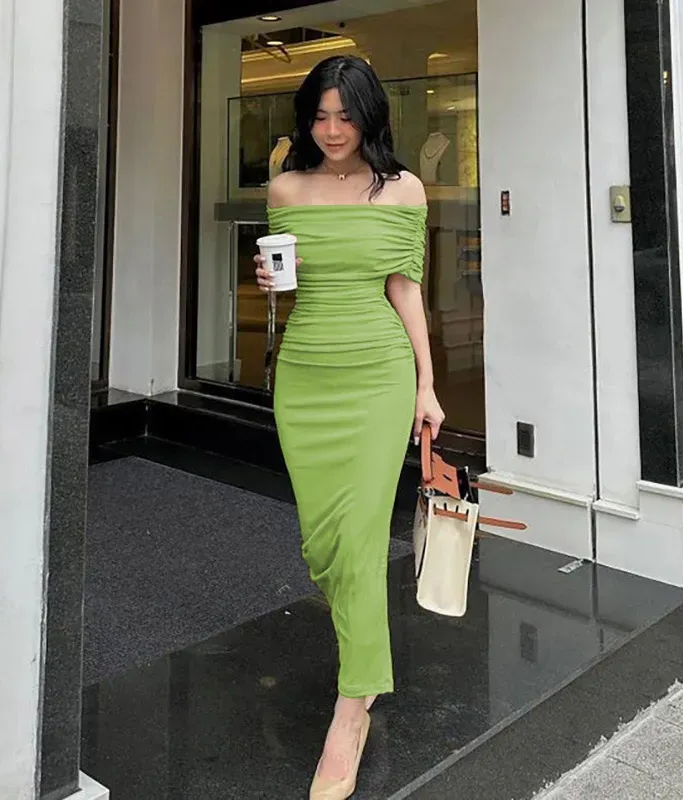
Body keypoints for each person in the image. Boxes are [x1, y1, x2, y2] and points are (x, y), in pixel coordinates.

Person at [253, 55, 445, 799]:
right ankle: (362, 658)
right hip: (306, 375)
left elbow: (406, 290)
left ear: (370, 117)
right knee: (325, 542)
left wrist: (426, 385)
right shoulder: (285, 189)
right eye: (319, 116)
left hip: (378, 377)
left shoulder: (403, 189)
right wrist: (270, 283)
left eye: (345, 116)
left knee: (360, 540)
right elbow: (288, 287)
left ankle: (352, 706)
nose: (332, 130)